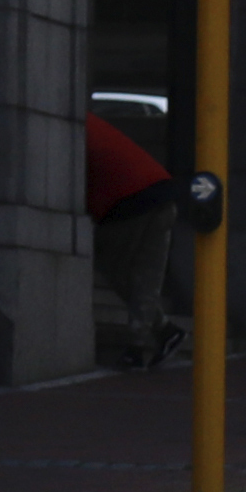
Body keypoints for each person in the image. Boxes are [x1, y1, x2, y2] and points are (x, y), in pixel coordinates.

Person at [85, 106, 179, 367]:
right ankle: (151, 336)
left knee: (117, 270)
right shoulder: (90, 124)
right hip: (159, 191)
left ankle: (143, 342)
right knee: (145, 275)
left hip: (128, 201)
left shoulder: (76, 127)